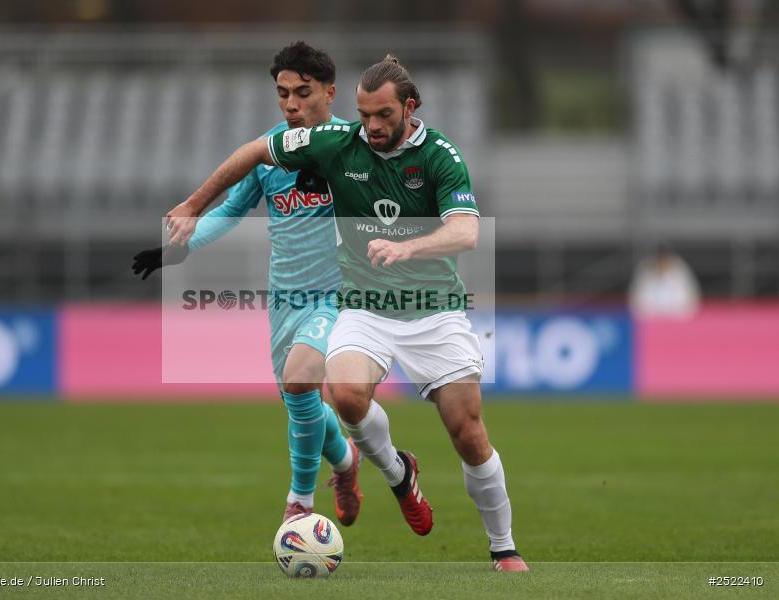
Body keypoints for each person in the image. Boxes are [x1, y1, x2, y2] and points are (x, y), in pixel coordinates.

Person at [163, 55, 529, 572]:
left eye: (382, 116)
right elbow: (252, 152)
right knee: (348, 396)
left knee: (467, 432)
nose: (372, 127)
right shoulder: (338, 144)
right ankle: (398, 473)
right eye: (364, 116)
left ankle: (504, 547)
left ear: (409, 107)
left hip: (434, 309)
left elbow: (466, 231)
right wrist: (194, 204)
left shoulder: (441, 156)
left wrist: (409, 247)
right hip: (363, 305)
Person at [132, 42, 362, 525]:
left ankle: (299, 503)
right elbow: (231, 211)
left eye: (303, 92)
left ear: (330, 92)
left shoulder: (355, 145)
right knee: (298, 400)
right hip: (284, 298)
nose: (291, 104)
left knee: (301, 382)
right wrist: (177, 252)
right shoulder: (268, 153)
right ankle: (344, 461)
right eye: (283, 94)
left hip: (339, 295)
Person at [628, 243, 701, 318]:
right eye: (659, 259)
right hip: (650, 321)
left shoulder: (680, 271)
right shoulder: (645, 272)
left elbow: (690, 302)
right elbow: (636, 303)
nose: (661, 263)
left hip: (677, 322)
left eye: (664, 259)